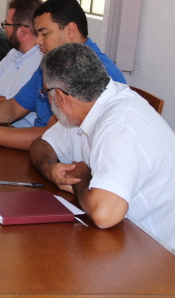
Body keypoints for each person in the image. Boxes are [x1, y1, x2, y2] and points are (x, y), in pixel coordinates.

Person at [30, 43, 175, 253]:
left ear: (60, 97)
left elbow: (105, 215)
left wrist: (80, 178)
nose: (47, 98)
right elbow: (41, 144)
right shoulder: (88, 104)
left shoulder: (117, 127)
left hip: (161, 259)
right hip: (127, 240)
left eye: (45, 92)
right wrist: (51, 169)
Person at [0, 0, 126, 150]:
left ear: (70, 30)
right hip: (41, 151)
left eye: (44, 33)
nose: (38, 41)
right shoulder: (52, 62)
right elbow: (13, 108)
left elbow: (50, 135)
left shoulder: (96, 71)